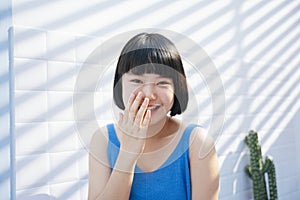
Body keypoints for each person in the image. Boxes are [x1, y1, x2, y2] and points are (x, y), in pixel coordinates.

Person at [88, 32, 219, 200]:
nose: (149, 94)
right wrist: (127, 155)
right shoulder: (103, 140)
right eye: (137, 81)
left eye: (162, 83)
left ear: (176, 89)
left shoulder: (198, 143)